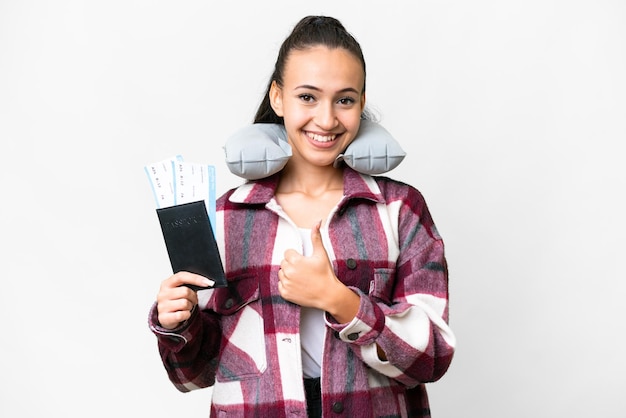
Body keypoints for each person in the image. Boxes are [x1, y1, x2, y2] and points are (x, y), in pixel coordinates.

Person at [149, 15, 456, 418]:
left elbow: (433, 358)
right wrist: (179, 323)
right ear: (278, 97)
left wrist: (341, 301)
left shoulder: (400, 209)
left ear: (361, 104)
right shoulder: (227, 216)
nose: (326, 120)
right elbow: (194, 376)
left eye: (344, 100)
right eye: (308, 97)